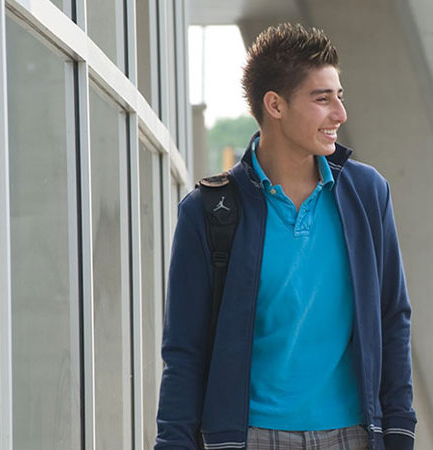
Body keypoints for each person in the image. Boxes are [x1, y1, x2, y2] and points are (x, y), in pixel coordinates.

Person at [156, 24, 416, 450]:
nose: (340, 114)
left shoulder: (367, 194)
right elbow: (184, 350)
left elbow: (393, 317)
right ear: (274, 105)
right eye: (322, 98)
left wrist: (399, 431)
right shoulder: (207, 211)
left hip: (353, 435)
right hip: (245, 438)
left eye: (339, 95)